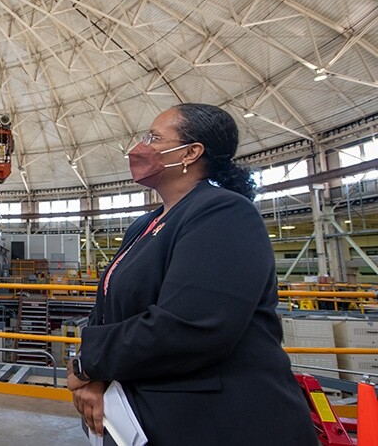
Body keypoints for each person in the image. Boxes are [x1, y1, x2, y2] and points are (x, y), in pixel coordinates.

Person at [67, 104, 316, 445]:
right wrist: (96, 378)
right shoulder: (144, 225)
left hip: (220, 424)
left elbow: (191, 326)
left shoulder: (224, 212)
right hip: (143, 415)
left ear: (190, 152)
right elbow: (108, 310)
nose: (138, 148)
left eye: (154, 138)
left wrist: (90, 363)